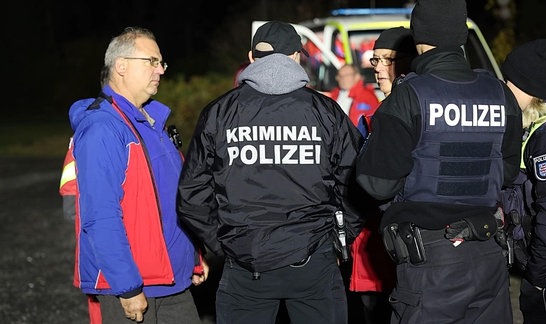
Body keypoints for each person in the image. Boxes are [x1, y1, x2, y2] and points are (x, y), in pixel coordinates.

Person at [177, 21, 365, 324]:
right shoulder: (326, 111)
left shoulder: (219, 112)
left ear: (252, 58)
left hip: (245, 263)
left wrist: (223, 242)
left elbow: (191, 194)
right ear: (296, 57)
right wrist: (337, 238)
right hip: (314, 260)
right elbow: (358, 181)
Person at [355, 0, 524, 323]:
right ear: (461, 34)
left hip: (431, 260)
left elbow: (377, 184)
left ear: (417, 36)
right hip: (489, 254)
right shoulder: (500, 94)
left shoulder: (408, 96)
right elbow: (506, 172)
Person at [67, 26, 208, 323]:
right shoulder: (103, 128)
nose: (160, 70)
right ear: (122, 66)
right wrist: (127, 286)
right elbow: (100, 215)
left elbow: (173, 200)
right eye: (152, 62)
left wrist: (194, 257)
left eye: (161, 63)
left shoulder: (153, 124)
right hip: (133, 286)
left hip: (173, 281)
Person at [501, 37, 546, 324]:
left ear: (529, 90)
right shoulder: (544, 130)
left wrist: (537, 275)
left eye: (509, 81)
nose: (505, 87)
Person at [346, 26, 418, 324]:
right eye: (375, 61)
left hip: (402, 247)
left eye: (386, 60)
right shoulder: (376, 114)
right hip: (374, 247)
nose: (377, 69)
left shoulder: (406, 114)